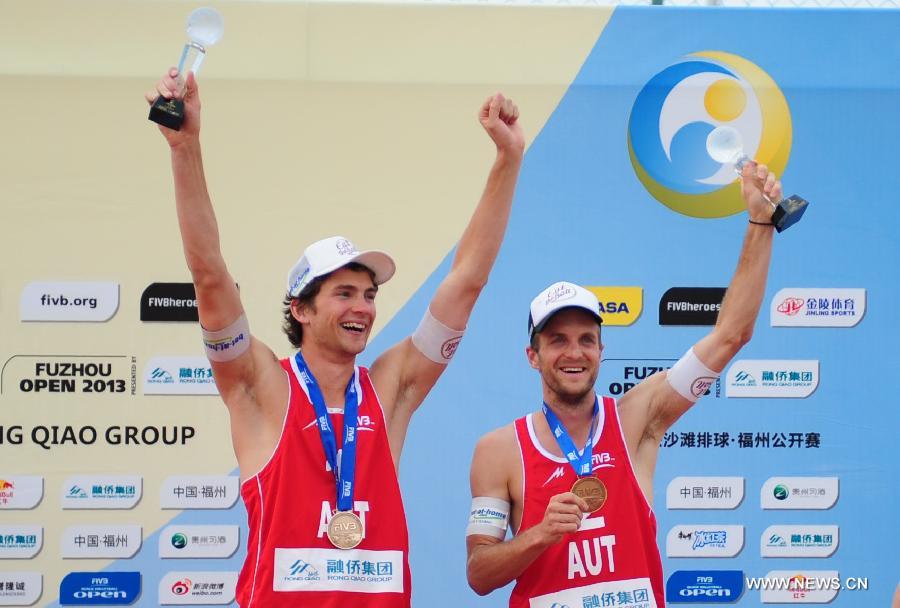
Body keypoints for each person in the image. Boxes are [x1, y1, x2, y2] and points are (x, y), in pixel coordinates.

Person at [146, 68, 524, 607]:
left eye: (370, 295)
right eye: (345, 293)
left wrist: (508, 162)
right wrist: (186, 148)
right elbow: (208, 272)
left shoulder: (391, 389)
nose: (363, 308)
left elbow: (467, 281)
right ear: (300, 308)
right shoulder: (258, 384)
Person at [465, 162, 783, 607]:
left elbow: (731, 334)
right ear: (532, 356)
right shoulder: (499, 450)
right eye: (558, 340)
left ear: (601, 350)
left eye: (586, 340)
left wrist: (760, 223)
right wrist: (539, 535)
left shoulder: (638, 416)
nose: (574, 353)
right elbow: (479, 573)